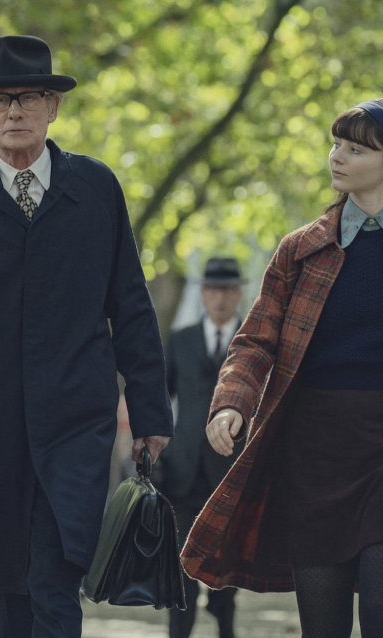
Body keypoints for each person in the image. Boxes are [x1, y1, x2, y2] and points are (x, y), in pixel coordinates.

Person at [180, 98, 383, 638]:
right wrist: (231, 402)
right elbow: (256, 340)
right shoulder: (301, 249)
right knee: (322, 627)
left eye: (356, 148)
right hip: (315, 453)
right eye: (336, 144)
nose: (337, 157)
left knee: (382, 617)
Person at [0, 35, 173, 638]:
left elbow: (131, 305)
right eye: (0, 99)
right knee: (4, 580)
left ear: (54, 108)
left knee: (54, 569)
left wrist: (150, 410)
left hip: (76, 416)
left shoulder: (95, 189)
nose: (14, 111)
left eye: (29, 97)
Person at [158, 257, 244, 638]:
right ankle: (179, 632)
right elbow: (161, 397)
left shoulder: (251, 341)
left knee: (227, 563)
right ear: (203, 293)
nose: (220, 297)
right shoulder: (181, 340)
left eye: (227, 289)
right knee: (180, 564)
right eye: (212, 289)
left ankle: (225, 623)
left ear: (238, 293)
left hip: (233, 470)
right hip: (183, 472)